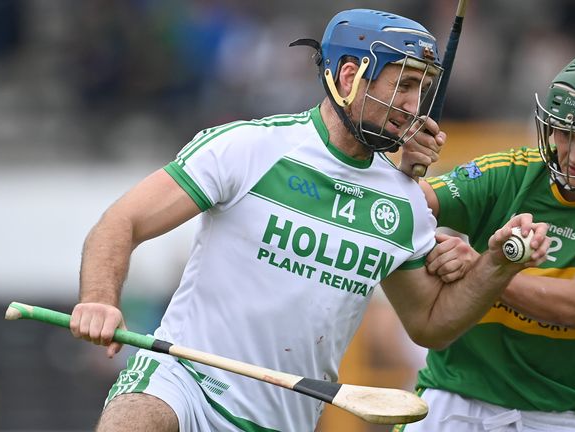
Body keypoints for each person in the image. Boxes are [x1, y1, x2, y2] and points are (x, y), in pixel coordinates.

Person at [68, 9, 549, 432]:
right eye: (403, 84)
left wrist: (496, 265)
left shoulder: (403, 201)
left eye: (422, 89)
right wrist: (99, 300)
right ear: (347, 77)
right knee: (136, 417)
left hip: (285, 418)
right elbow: (120, 222)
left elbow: (430, 324)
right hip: (184, 381)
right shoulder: (248, 148)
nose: (413, 104)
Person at [396, 52, 575, 431]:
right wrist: (405, 168)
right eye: (563, 133)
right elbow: (408, 205)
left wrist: (483, 269)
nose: (574, 156)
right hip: (450, 399)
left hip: (550, 416)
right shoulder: (509, 171)